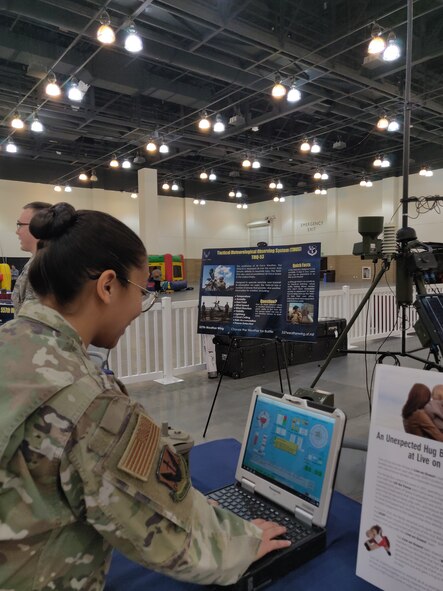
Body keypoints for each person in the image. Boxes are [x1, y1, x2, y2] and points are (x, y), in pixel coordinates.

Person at [0, 202, 289, 589]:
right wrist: (239, 542)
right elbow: (169, 540)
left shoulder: (10, 343)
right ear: (107, 286)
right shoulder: (89, 401)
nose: (141, 305)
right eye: (141, 290)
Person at [12, 200, 51, 315]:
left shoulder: (45, 266)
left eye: (20, 225)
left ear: (38, 227)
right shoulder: (36, 261)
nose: (17, 231)